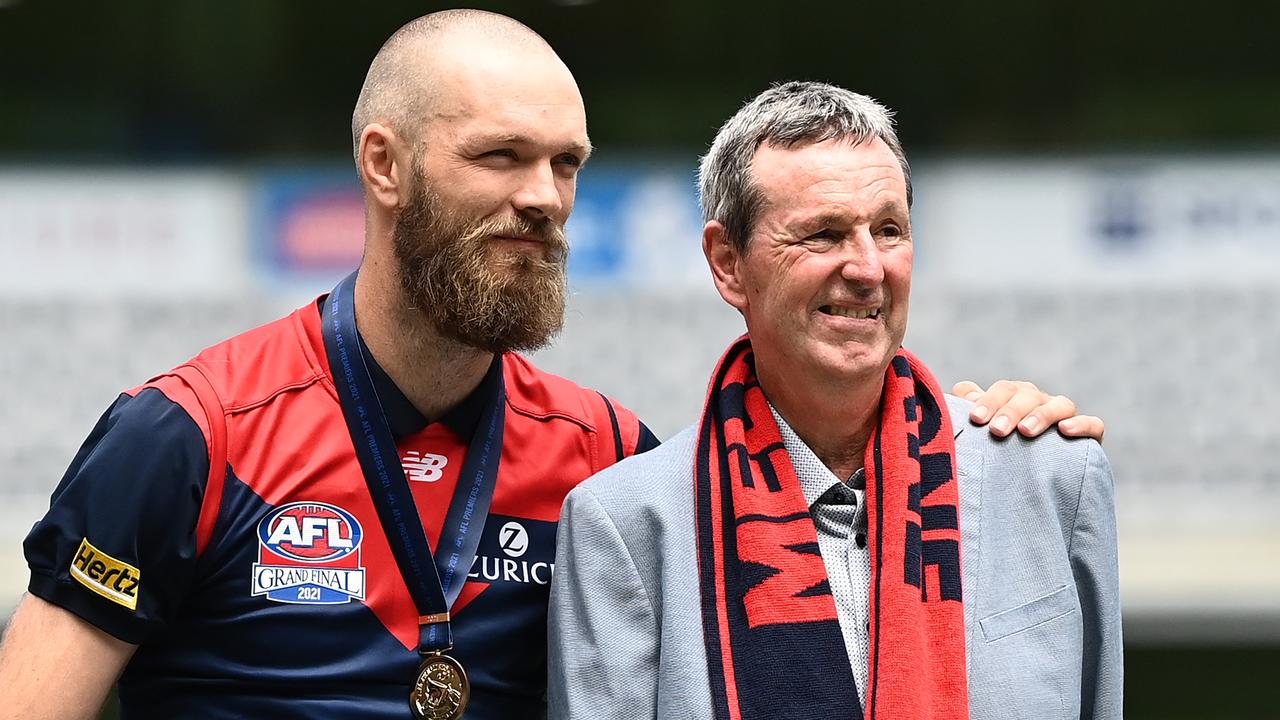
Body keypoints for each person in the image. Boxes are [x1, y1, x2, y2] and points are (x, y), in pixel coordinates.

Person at [0, 13, 1101, 720]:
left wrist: (968, 427)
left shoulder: (604, 461)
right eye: (500, 156)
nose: (545, 196)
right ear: (383, 165)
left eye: (565, 162)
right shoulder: (190, 434)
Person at [549, 82, 1122, 720]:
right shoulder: (626, 524)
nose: (868, 267)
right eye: (823, 235)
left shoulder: (1051, 478)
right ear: (729, 263)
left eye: (889, 230)